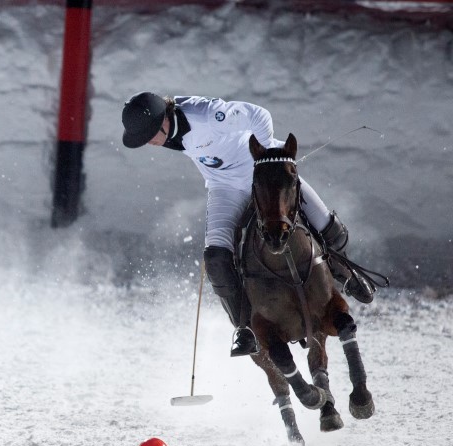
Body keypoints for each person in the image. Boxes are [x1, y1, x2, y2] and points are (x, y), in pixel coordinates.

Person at [121, 92, 374, 357]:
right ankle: (245, 328)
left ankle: (346, 274)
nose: (149, 142)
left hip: (264, 175)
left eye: (149, 135)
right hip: (224, 187)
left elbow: (259, 115)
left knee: (326, 223)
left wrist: (267, 159)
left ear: (163, 121)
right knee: (216, 259)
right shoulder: (170, 131)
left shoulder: (208, 116)